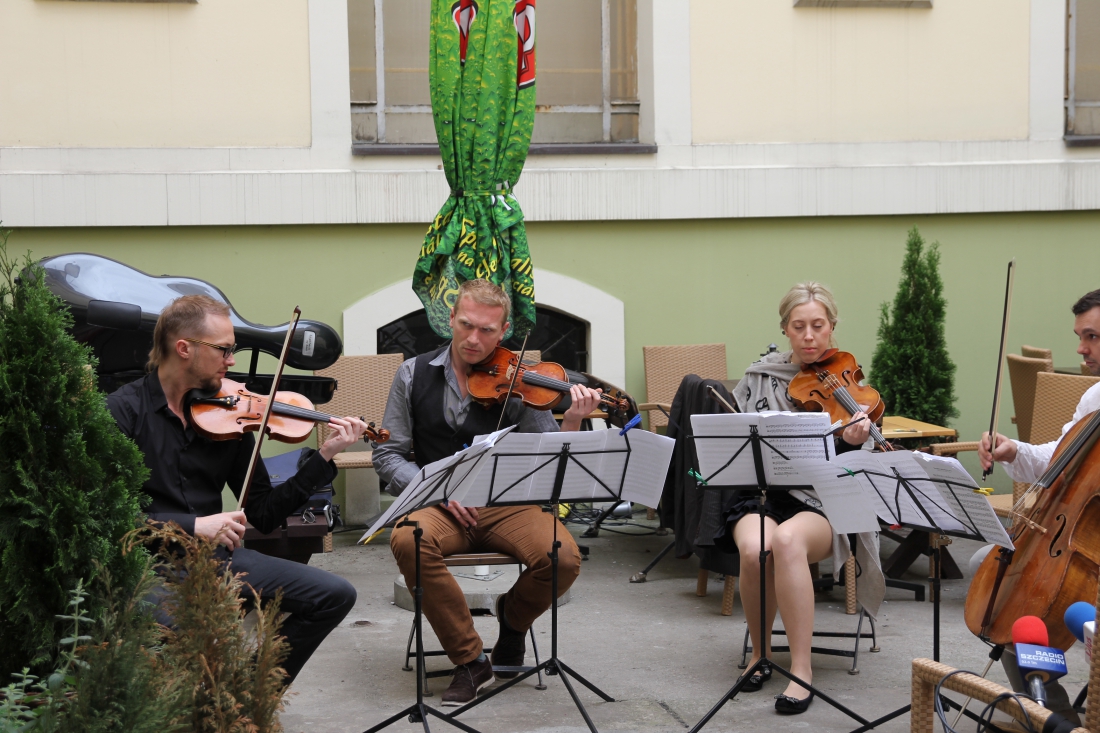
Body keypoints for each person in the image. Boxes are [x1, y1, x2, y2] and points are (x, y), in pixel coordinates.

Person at [107, 294, 364, 685]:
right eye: (224, 350)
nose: (231, 362)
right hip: (148, 567)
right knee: (184, 628)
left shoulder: (230, 413)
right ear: (184, 349)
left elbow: (263, 512)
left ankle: (248, 695)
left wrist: (324, 457)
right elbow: (109, 520)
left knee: (334, 594)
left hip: (217, 561)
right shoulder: (123, 412)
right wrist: (194, 526)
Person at [373, 279, 603, 707]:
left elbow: (548, 454)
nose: (474, 339)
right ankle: (470, 659)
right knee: (408, 540)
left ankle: (512, 621)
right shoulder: (412, 373)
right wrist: (436, 489)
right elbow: (387, 454)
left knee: (562, 558)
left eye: (487, 330)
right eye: (466, 325)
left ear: (504, 330)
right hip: (440, 504)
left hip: (507, 504)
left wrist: (572, 419)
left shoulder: (520, 377)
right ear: (451, 319)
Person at [720, 281, 885, 715]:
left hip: (823, 502)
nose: (809, 336)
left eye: (818, 326)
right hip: (763, 494)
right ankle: (760, 656)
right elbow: (735, 442)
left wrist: (851, 442)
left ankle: (800, 669)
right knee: (755, 549)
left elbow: (860, 472)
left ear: (832, 327)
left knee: (787, 541)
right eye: (798, 327)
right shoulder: (759, 377)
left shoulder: (853, 391)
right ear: (785, 329)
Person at [977, 288, 1100, 728]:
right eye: (1080, 336)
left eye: (1092, 337)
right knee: (1000, 576)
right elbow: (1058, 456)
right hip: (1081, 541)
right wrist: (1013, 450)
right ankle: (1052, 715)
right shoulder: (1095, 399)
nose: (1081, 349)